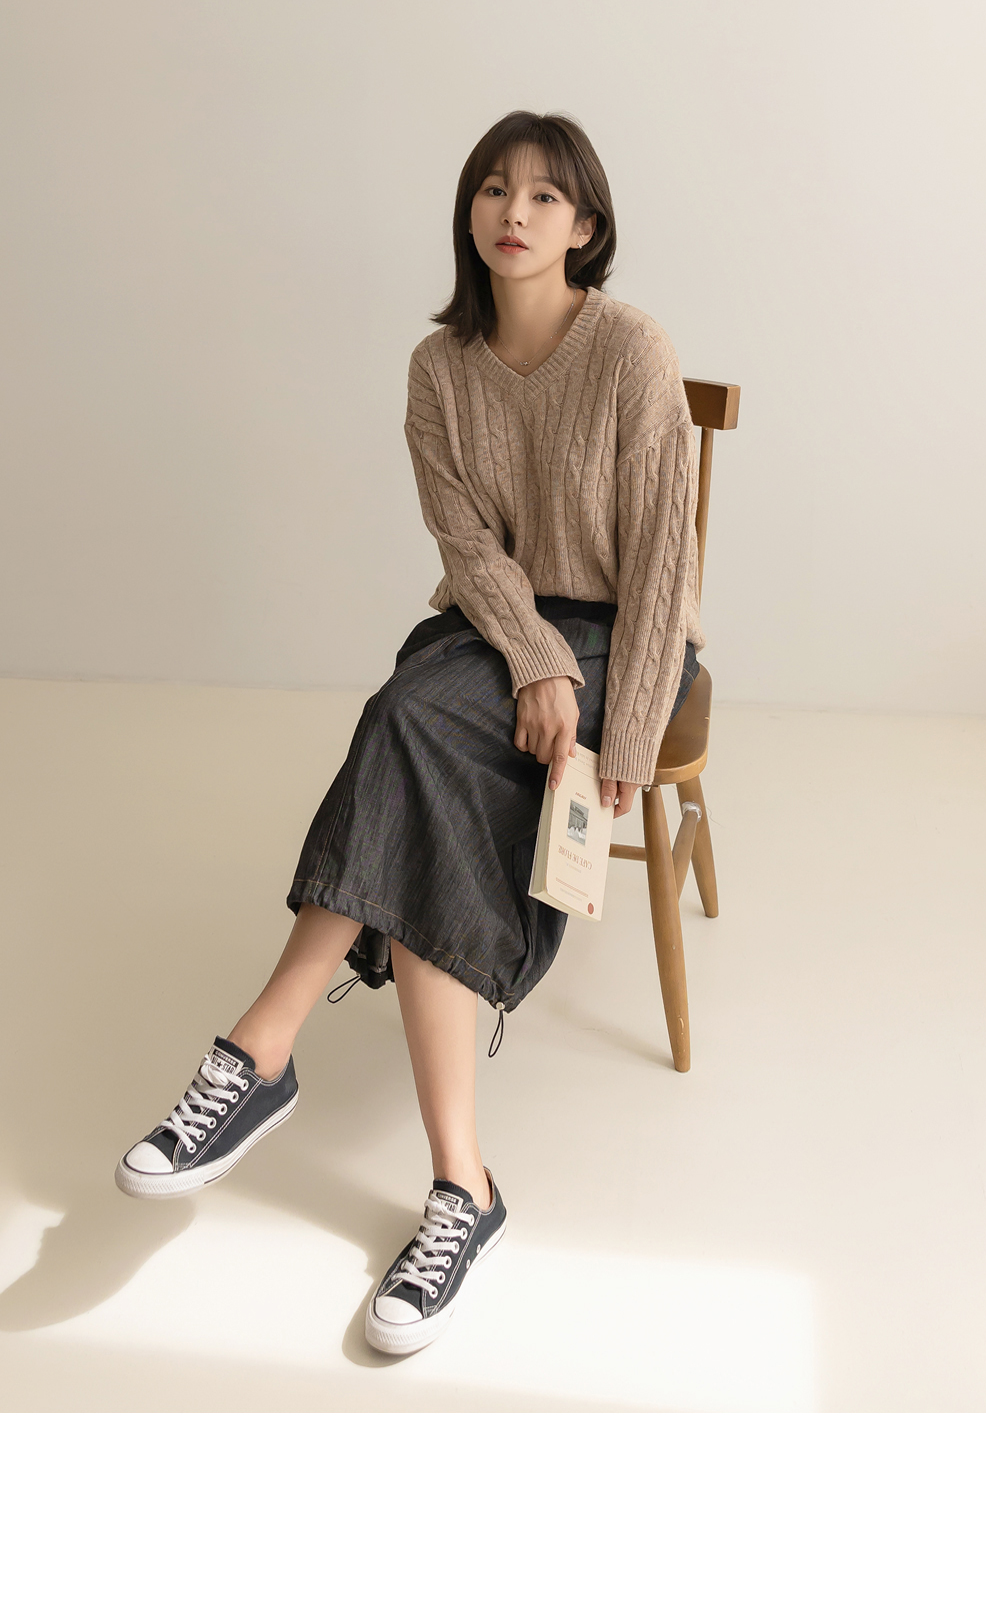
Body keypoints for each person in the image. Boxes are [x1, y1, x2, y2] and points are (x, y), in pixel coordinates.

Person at [114, 108, 705, 1361]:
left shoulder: (632, 350)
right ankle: (456, 1184)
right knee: (414, 725)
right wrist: (531, 656)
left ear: (585, 225)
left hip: (625, 639)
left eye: (542, 196)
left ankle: (260, 1055)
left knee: (411, 733)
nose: (513, 212)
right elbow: (466, 548)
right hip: (502, 625)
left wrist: (623, 736)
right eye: (493, 188)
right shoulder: (439, 369)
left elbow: (665, 564)